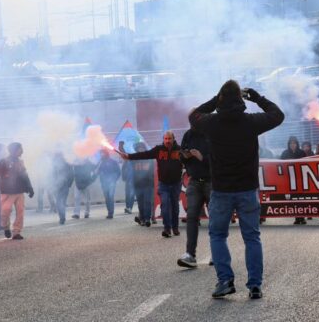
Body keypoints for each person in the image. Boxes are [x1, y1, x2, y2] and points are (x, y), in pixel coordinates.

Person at [189, 81, 284, 300]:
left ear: (221, 100)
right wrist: (257, 97)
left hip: (221, 189)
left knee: (218, 235)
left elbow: (194, 115)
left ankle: (225, 281)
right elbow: (277, 115)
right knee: (252, 237)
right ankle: (255, 285)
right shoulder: (251, 122)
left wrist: (216, 98)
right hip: (247, 188)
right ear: (241, 100)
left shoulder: (212, 122)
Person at [120, 131, 183, 238]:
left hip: (176, 183)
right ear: (163, 139)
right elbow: (145, 154)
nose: (167, 141)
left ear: (173, 139)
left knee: (174, 206)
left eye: (169, 139)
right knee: (165, 206)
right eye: (166, 139)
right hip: (163, 184)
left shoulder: (180, 150)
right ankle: (167, 229)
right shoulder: (158, 150)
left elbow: (188, 161)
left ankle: (175, 227)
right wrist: (129, 156)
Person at [177, 127, 212, 268]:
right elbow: (180, 154)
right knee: (191, 216)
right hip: (194, 181)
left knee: (215, 217)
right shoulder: (188, 134)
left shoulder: (212, 131)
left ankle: (217, 252)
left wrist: (202, 157)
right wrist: (184, 157)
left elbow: (220, 156)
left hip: (211, 181)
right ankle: (190, 254)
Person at [0, 142, 34, 240]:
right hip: (7, 192)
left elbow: (25, 176)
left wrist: (30, 188)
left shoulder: (21, 162)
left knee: (20, 212)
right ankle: (5, 227)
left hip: (19, 191)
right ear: (14, 150)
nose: (22, 151)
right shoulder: (4, 161)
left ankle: (17, 232)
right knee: (5, 211)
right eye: (20, 149)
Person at [280, 136, 307, 224]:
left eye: (294, 143)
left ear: (297, 144)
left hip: (300, 179)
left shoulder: (302, 152)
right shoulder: (284, 153)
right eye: (291, 143)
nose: (293, 145)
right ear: (289, 144)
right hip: (289, 180)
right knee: (293, 199)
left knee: (301, 199)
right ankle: (297, 217)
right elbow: (280, 165)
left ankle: (302, 217)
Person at [131, 141, 155, 226]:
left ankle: (147, 219)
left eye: (142, 148)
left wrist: (152, 180)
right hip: (138, 184)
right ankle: (142, 218)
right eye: (139, 148)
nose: (141, 149)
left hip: (148, 184)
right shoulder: (133, 159)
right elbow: (130, 171)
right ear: (136, 150)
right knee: (140, 203)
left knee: (147, 202)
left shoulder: (150, 159)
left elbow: (153, 171)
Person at [50, 151, 74, 225]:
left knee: (60, 202)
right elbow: (52, 175)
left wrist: (68, 184)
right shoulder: (54, 165)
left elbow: (71, 174)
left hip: (64, 185)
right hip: (57, 186)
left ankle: (62, 218)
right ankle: (62, 217)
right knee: (60, 202)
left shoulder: (67, 164)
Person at [97, 150, 121, 219]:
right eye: (101, 153)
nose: (102, 154)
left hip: (111, 183)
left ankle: (111, 213)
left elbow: (118, 172)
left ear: (106, 153)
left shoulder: (113, 162)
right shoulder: (100, 162)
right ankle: (109, 211)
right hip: (104, 183)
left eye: (103, 153)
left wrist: (114, 179)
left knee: (110, 197)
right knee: (107, 198)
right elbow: (98, 172)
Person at [120, 142, 136, 215]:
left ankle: (130, 208)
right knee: (127, 194)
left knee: (132, 194)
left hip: (134, 180)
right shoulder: (126, 162)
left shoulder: (135, 161)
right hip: (128, 180)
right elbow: (123, 169)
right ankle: (127, 207)